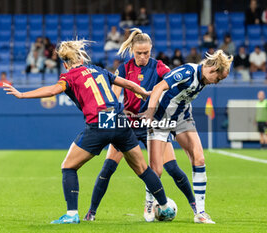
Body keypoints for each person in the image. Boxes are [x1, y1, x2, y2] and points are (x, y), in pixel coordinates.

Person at [2, 39, 175, 224]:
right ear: (82, 59)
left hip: (100, 123)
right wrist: (146, 93)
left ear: (65, 64)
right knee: (143, 169)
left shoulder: (69, 76)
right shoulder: (98, 69)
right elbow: (128, 84)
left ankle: (71, 214)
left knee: (68, 166)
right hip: (119, 121)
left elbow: (53, 91)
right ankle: (165, 208)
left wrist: (22, 94)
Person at [84, 28, 198, 223]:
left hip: (153, 123)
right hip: (128, 125)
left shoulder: (159, 67)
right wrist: (120, 110)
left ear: (151, 50)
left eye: (146, 53)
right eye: (139, 53)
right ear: (132, 51)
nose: (143, 56)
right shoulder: (124, 69)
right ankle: (91, 213)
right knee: (108, 167)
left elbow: (173, 86)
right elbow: (113, 95)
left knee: (171, 168)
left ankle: (197, 209)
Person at [142, 49, 233, 224]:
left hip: (182, 118)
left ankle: (200, 213)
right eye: (219, 79)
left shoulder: (204, 80)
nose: (217, 83)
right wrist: (150, 112)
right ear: (212, 69)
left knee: (199, 158)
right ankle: (149, 203)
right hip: (160, 118)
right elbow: (159, 87)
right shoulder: (187, 72)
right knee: (157, 170)